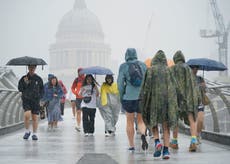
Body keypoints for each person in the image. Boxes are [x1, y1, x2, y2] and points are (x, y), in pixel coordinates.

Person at [139, 50, 178, 159]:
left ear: (154, 60)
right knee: (166, 127)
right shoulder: (168, 71)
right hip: (166, 103)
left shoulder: (150, 70)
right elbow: (174, 87)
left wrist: (143, 100)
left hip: (153, 102)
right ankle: (165, 151)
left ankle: (157, 142)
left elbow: (145, 88)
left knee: (153, 123)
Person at [117, 48, 148, 152]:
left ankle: (131, 146)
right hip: (141, 97)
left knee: (129, 121)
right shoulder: (143, 65)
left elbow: (120, 85)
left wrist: (122, 97)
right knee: (140, 120)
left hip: (129, 97)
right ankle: (143, 134)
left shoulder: (123, 66)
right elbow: (147, 81)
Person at [169, 50, 199, 152]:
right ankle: (193, 141)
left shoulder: (172, 69)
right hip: (189, 99)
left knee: (175, 120)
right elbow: (194, 85)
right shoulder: (188, 69)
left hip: (176, 99)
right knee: (192, 119)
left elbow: (169, 85)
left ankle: (174, 142)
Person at [18, 65, 44, 140]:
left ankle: (34, 134)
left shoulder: (38, 79)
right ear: (28, 68)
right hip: (26, 100)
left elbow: (42, 90)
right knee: (27, 115)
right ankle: (27, 131)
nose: (32, 69)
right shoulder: (24, 78)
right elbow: (20, 88)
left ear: (35, 68)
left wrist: (40, 98)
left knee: (35, 117)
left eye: (33, 68)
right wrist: (25, 83)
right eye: (30, 67)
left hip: (36, 101)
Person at [190, 65, 206, 144]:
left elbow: (204, 89)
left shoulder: (200, 78)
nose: (195, 70)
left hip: (200, 102)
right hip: (191, 103)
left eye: (197, 68)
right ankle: (195, 136)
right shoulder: (188, 79)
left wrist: (203, 86)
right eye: (194, 68)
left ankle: (198, 133)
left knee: (200, 120)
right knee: (193, 121)